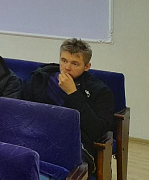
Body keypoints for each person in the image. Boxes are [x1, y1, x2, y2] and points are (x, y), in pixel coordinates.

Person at [23, 38, 114, 173]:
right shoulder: (41, 78)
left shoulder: (100, 91)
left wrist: (73, 94)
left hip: (75, 144)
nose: (67, 67)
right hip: (38, 136)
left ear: (87, 67)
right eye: (64, 61)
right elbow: (23, 110)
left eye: (74, 63)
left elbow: (97, 131)